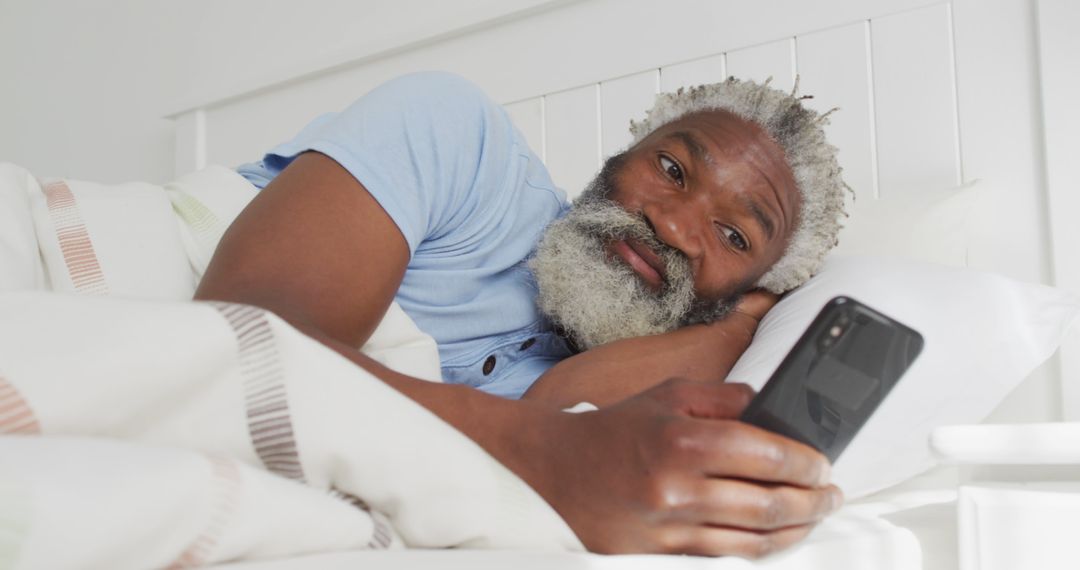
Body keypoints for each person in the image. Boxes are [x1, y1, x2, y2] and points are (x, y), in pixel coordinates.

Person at [196, 71, 848, 557]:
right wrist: (547, 449)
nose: (674, 225)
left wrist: (738, 327)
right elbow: (232, 352)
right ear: (625, 152)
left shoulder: (615, 394)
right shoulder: (463, 141)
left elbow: (554, 411)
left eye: (735, 238)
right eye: (672, 168)